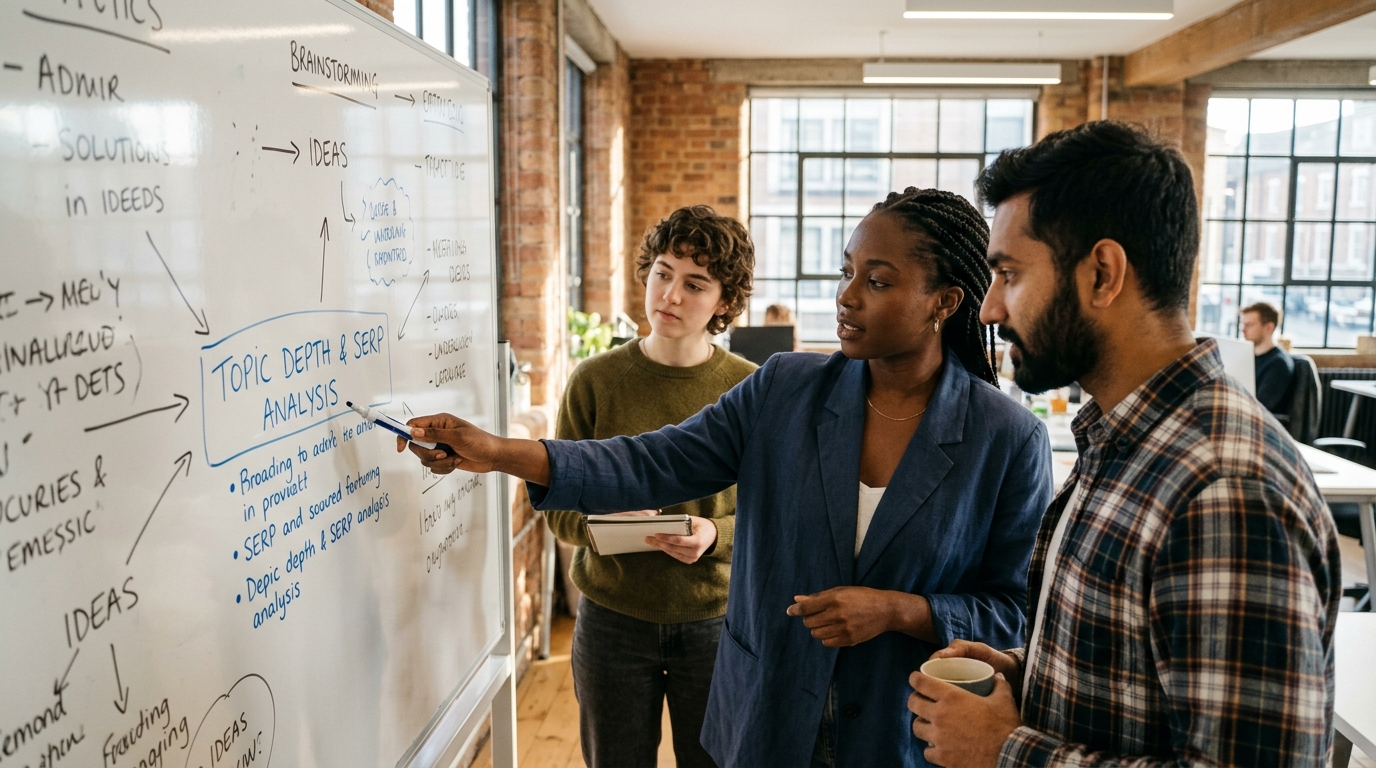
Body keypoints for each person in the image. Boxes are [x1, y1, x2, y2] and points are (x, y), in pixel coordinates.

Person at [400, 189, 1053, 767]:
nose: (847, 295)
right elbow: (651, 461)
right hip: (768, 716)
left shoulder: (1006, 439)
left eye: (877, 281)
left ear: (945, 301)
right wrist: (499, 452)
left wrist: (900, 611)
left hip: (903, 731)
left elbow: (1014, 614)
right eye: (846, 271)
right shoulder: (784, 390)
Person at [907, 121, 1340, 767]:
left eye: (1009, 274)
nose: (990, 309)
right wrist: (1030, 672)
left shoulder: (1222, 490)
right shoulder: (1127, 441)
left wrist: (1007, 750)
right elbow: (1152, 674)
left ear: (1103, 274)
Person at [547, 205, 757, 768]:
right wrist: (607, 528)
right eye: (663, 273)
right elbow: (557, 508)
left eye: (695, 284)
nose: (670, 294)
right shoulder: (593, 382)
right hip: (612, 620)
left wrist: (713, 534)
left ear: (724, 302)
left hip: (715, 622)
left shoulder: (749, 388)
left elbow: (777, 514)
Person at [1240, 301, 1295, 416]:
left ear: (1269, 327)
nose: (1243, 329)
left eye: (1249, 325)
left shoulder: (1279, 363)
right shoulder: (1247, 357)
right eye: (1243, 324)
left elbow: (1261, 407)